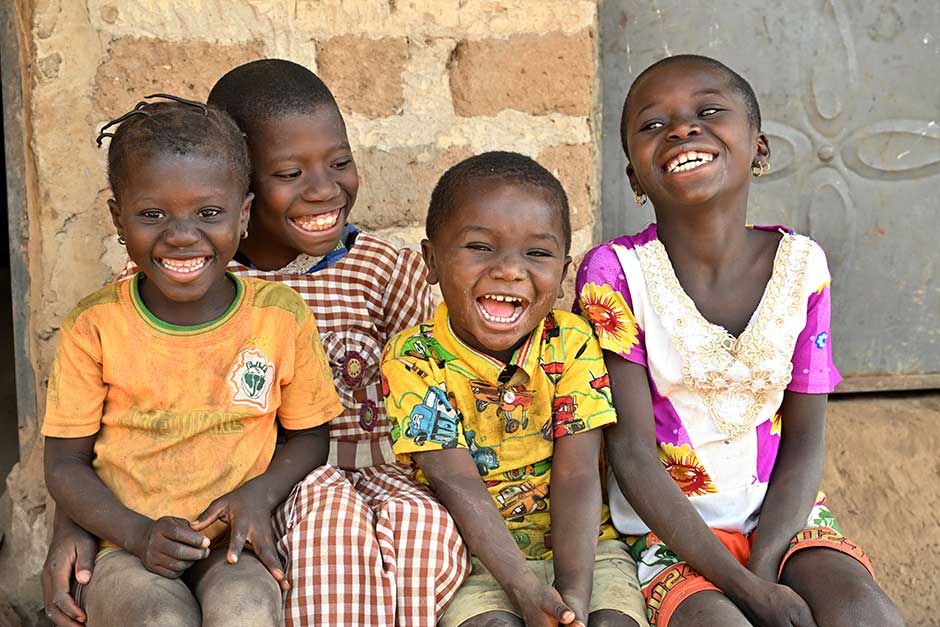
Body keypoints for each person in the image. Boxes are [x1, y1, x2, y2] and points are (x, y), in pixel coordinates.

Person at [42, 60, 468, 627]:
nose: (322, 189)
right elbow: (81, 447)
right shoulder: (141, 294)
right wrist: (76, 526)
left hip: (335, 481)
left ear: (234, 210)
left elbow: (431, 391)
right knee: (323, 526)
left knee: (415, 535)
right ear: (246, 187)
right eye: (288, 172)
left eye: (339, 163)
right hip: (252, 498)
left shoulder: (365, 277)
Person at [574, 54, 904, 627]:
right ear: (634, 176)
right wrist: (745, 593)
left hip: (785, 520)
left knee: (865, 614)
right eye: (653, 125)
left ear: (759, 147)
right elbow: (630, 453)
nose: (682, 129)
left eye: (708, 111)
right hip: (668, 533)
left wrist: (768, 568)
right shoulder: (615, 275)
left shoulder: (802, 267)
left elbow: (805, 441)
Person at [41, 96, 343, 626]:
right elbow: (64, 463)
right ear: (118, 216)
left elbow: (310, 436)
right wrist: (135, 533)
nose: (182, 236)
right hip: (126, 547)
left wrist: (257, 495)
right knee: (158, 618)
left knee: (246, 609)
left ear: (243, 215)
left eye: (208, 213)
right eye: (153, 214)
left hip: (233, 545)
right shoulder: (95, 327)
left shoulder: (279, 317)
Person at [382, 151, 649, 627]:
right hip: (475, 560)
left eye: (537, 253)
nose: (509, 270)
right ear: (431, 261)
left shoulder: (569, 342)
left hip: (588, 553)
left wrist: (571, 599)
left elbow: (578, 475)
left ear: (564, 272)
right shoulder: (414, 357)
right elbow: (455, 480)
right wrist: (525, 590)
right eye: (480, 247)